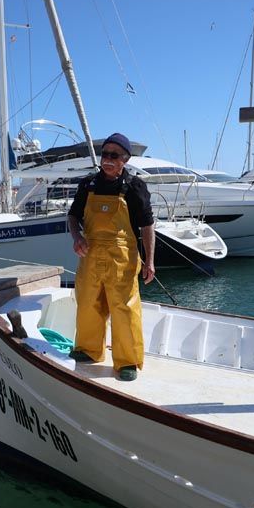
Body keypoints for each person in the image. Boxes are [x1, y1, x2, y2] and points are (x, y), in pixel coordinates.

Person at [66, 132, 156, 382]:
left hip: (122, 259)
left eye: (114, 155)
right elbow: (73, 216)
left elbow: (147, 226)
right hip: (90, 256)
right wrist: (77, 238)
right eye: (105, 154)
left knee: (124, 309)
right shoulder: (87, 184)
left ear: (125, 159)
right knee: (87, 304)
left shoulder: (135, 187)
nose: (107, 159)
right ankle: (88, 350)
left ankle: (127, 361)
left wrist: (149, 261)